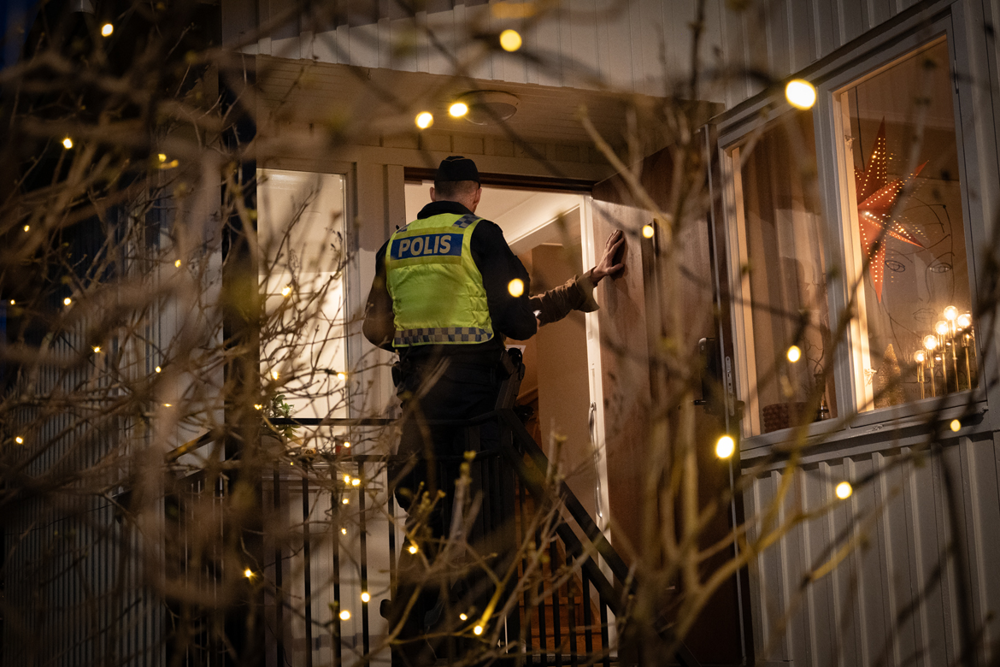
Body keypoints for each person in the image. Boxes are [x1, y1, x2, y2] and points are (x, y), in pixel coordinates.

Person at [362, 155, 624, 665]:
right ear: (475, 192)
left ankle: (415, 642)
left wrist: (424, 349)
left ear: (433, 193)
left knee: (424, 533)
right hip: (477, 416)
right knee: (484, 540)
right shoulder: (481, 236)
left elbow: (375, 329)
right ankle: (473, 648)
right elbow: (518, 322)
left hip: (419, 414)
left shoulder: (393, 247)